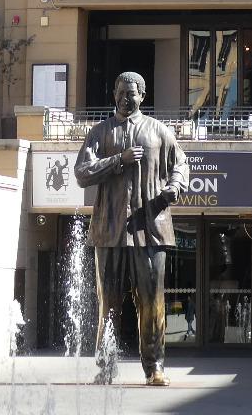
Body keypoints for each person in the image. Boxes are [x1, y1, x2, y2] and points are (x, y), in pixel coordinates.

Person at [74, 71, 188, 387]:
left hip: (150, 227)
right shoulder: (100, 132)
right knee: (108, 303)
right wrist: (118, 160)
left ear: (143, 96)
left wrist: (175, 186)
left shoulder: (158, 131)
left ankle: (155, 367)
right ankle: (106, 367)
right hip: (109, 229)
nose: (126, 98)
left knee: (152, 301)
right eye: (121, 92)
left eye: (132, 93)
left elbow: (181, 164)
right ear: (114, 95)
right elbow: (82, 172)